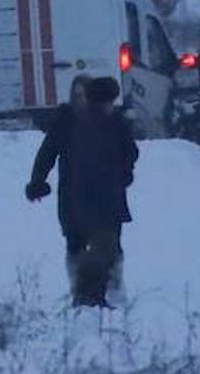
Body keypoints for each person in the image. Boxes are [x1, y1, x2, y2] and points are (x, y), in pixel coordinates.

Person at [26, 76, 138, 308]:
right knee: (76, 243)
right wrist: (38, 180)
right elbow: (47, 152)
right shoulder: (65, 122)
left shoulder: (111, 121)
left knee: (109, 244)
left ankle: (111, 287)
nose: (81, 99)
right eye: (76, 95)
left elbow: (128, 153)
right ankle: (81, 288)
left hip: (102, 196)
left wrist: (123, 175)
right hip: (71, 194)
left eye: (83, 94)